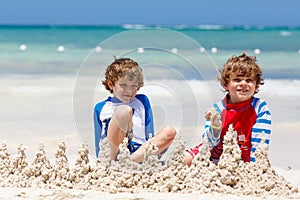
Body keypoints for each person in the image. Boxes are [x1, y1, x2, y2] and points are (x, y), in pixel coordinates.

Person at [185, 52, 272, 166]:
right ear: (226, 84)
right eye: (237, 79)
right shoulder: (218, 109)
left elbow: (260, 143)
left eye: (249, 80)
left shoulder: (260, 108)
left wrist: (254, 165)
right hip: (213, 155)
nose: (243, 84)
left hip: (242, 159)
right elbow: (208, 143)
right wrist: (215, 126)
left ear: (256, 85)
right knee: (184, 160)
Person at [94, 57, 176, 162]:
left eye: (134, 86)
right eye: (123, 85)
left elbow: (149, 137)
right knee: (123, 111)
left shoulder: (142, 101)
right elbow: (98, 146)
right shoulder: (100, 108)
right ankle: (115, 163)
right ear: (111, 84)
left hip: (140, 153)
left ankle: (129, 162)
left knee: (169, 132)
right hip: (114, 153)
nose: (129, 90)